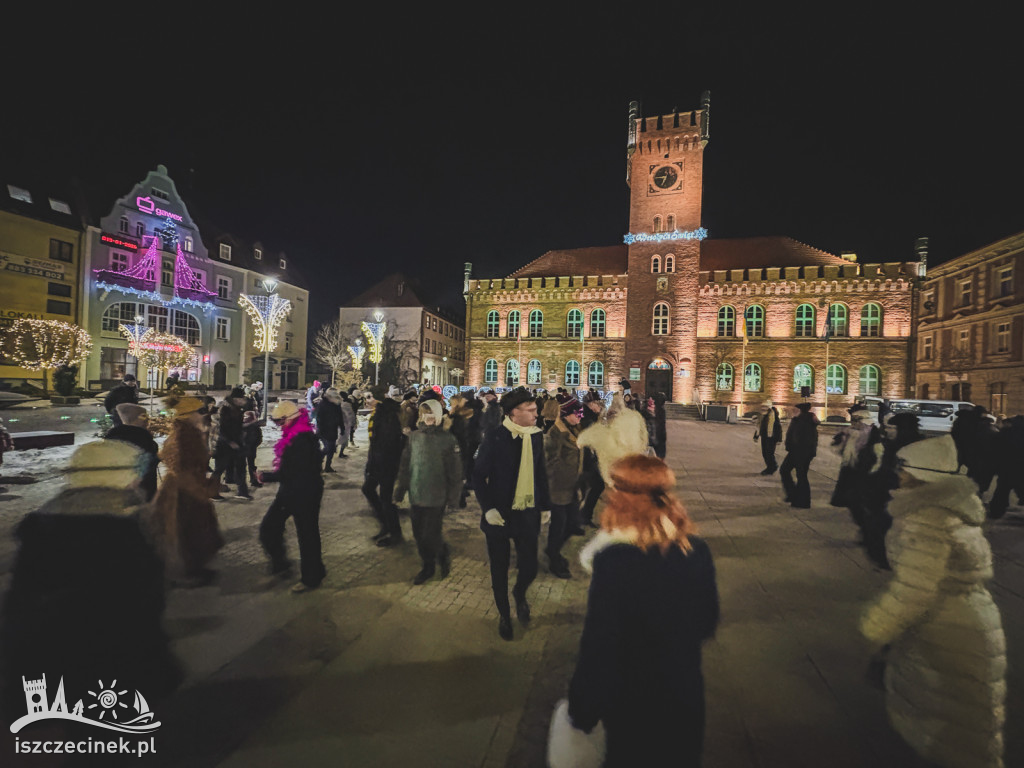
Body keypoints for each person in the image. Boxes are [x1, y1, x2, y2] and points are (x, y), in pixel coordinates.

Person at [0, 440, 182, 723]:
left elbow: (20, 600)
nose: (139, 478)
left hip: (39, 665)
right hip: (106, 670)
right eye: (136, 470)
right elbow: (139, 611)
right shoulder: (124, 530)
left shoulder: (44, 522)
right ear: (117, 475)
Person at [860, 435, 1006, 767]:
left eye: (904, 468)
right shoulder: (952, 509)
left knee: (953, 734)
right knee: (968, 727)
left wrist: (876, 626)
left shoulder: (927, 518)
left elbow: (915, 588)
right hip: (965, 621)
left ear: (921, 474)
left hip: (947, 631)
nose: (899, 474)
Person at [567, 455, 719, 767]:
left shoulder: (614, 561)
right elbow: (707, 622)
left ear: (621, 497)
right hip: (683, 692)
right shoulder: (695, 550)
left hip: (631, 699)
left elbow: (599, 644)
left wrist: (582, 710)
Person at [473, 388, 551, 640]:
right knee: (499, 568)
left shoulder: (536, 436)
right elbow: (477, 475)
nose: (536, 415)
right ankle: (504, 615)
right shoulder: (495, 437)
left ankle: (519, 593)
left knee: (530, 566)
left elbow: (540, 472)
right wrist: (488, 508)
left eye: (536, 410)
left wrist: (545, 505)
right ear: (513, 413)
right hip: (499, 513)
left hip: (527, 511)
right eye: (531, 410)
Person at [151, 396, 224, 587]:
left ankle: (194, 568)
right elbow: (180, 466)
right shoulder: (184, 436)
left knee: (193, 529)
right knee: (184, 531)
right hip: (183, 492)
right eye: (200, 411)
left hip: (188, 487)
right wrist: (199, 489)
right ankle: (184, 573)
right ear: (189, 414)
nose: (203, 415)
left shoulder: (189, 432)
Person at [258, 401, 326, 593]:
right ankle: (281, 564)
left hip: (305, 493)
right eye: (276, 422)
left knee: (307, 535)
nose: (279, 426)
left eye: (281, 422)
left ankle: (312, 578)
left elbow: (294, 471)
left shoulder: (302, 440)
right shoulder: (296, 436)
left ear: (291, 418)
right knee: (269, 527)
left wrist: (266, 476)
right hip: (291, 491)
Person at [393, 400, 462, 585]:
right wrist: (399, 491)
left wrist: (453, 498)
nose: (428, 418)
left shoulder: (448, 439)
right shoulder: (414, 437)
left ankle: (437, 559)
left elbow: (455, 472)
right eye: (424, 414)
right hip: (416, 494)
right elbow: (405, 466)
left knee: (430, 535)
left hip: (437, 496)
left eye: (431, 414)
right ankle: (429, 562)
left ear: (438, 416)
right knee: (418, 534)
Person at [544, 397, 582, 579]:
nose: (580, 416)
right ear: (567, 414)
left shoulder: (575, 429)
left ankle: (553, 549)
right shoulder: (556, 433)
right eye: (577, 413)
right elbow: (550, 463)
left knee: (572, 523)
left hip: (572, 486)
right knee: (559, 525)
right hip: (558, 488)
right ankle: (554, 558)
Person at [362, 386, 406, 547]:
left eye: (369, 397)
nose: (367, 401)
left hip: (386, 463)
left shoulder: (387, 414)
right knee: (369, 489)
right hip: (379, 462)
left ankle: (394, 532)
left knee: (386, 498)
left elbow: (387, 442)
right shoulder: (381, 412)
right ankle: (386, 524)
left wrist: (378, 464)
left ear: (378, 398)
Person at [577, 392, 650, 487]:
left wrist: (580, 441)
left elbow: (590, 435)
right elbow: (644, 435)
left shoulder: (608, 422)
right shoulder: (635, 416)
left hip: (614, 463)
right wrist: (642, 448)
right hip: (632, 460)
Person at [829, 405, 881, 536]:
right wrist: (841, 443)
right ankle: (866, 529)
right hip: (851, 470)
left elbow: (878, 454)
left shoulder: (873, 433)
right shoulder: (849, 433)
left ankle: (869, 531)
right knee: (853, 501)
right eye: (852, 419)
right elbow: (838, 448)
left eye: (856, 420)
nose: (853, 423)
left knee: (860, 502)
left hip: (866, 472)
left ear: (864, 420)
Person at [106, 403, 160, 501]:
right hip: (143, 493)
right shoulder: (142, 440)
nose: (147, 419)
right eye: (143, 416)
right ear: (133, 418)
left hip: (118, 493)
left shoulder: (112, 439)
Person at [212, 387, 250, 500]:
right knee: (219, 468)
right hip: (224, 444)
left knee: (241, 466)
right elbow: (221, 428)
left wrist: (241, 436)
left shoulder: (238, 409)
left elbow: (237, 426)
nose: (243, 401)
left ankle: (242, 492)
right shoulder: (225, 409)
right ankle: (212, 492)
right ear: (235, 399)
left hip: (237, 442)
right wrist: (229, 441)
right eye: (242, 398)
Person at [780, 402, 819, 509]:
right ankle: (794, 495)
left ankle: (802, 501)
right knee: (791, 472)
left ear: (800, 410)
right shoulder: (806, 420)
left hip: (799, 452)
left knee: (799, 475)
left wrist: (791, 446)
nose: (793, 411)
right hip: (801, 452)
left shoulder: (802, 421)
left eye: (795, 409)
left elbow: (798, 437)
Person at [989, 414, 1024, 519]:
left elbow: (995, 449)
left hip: (1006, 467)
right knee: (1020, 488)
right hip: (1020, 468)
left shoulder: (1005, 433)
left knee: (1002, 489)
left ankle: (996, 511)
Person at [316, 387, 345, 472]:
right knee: (328, 448)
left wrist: (342, 427)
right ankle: (318, 462)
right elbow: (319, 418)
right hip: (324, 430)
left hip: (333, 430)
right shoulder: (323, 404)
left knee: (331, 449)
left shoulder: (336, 403)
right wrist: (320, 429)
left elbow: (340, 416)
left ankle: (327, 466)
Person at [752, 399, 783, 475]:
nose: (763, 408)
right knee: (765, 453)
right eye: (762, 406)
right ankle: (770, 467)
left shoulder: (773, 416)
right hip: (764, 436)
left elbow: (778, 428)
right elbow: (759, 426)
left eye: (765, 407)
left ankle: (772, 467)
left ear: (769, 407)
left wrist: (779, 439)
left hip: (771, 437)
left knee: (769, 453)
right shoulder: (762, 416)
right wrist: (756, 436)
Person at [242, 410, 264, 487]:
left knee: (242, 466)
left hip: (244, 449)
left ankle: (242, 482)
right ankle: (253, 480)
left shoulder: (241, 427)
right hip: (251, 449)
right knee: (251, 465)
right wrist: (254, 445)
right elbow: (259, 439)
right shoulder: (255, 427)